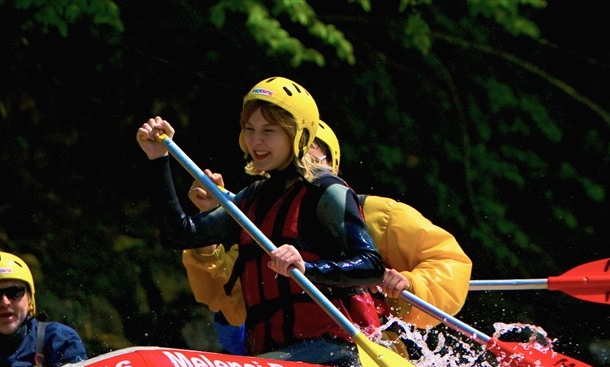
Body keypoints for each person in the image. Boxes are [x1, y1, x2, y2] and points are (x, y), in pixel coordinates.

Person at [138, 76, 385, 367]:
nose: (257, 141)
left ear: (297, 135)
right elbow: (179, 234)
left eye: (269, 131)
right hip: (275, 359)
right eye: (250, 129)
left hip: (335, 353)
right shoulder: (252, 200)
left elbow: (372, 267)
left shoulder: (326, 192)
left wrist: (308, 269)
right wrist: (158, 159)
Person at [181, 119, 472, 353]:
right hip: (280, 357)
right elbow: (227, 302)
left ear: (331, 166)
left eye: (310, 152)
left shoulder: (379, 216)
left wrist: (411, 284)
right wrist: (208, 232)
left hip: (363, 353)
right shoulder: (260, 227)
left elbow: (450, 261)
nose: (301, 163)